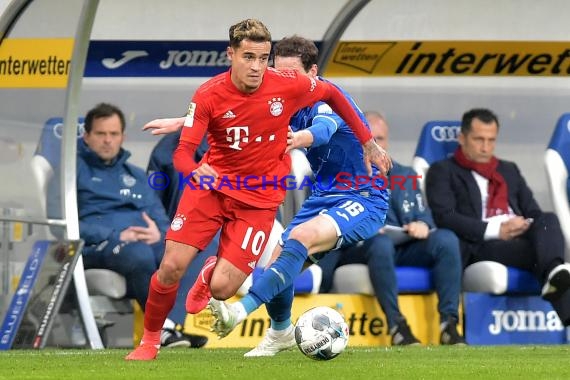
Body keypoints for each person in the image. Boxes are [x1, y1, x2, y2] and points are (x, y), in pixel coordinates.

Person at [126, 20, 391, 361]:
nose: (260, 69)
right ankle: (156, 340)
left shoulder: (301, 92)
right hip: (235, 188)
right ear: (232, 54)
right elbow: (227, 116)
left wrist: (360, 141)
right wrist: (187, 131)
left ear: (309, 73)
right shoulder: (229, 92)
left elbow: (326, 118)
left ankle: (232, 297)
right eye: (252, 58)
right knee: (180, 266)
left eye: (264, 60)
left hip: (309, 196)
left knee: (244, 276)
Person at [207, 35, 390, 348]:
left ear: (313, 72)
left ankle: (239, 311)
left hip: (362, 197)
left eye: (292, 74)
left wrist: (297, 138)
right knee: (278, 261)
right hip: (322, 198)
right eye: (279, 74)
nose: (285, 81)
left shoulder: (327, 100)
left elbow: (323, 130)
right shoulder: (283, 103)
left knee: (300, 237)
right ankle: (280, 332)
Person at [317, 111, 465, 346]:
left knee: (446, 239)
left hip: (403, 244)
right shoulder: (338, 175)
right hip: (360, 247)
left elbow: (424, 215)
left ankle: (449, 324)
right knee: (381, 242)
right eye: (369, 138)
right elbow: (327, 223)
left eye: (381, 139)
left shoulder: (404, 173)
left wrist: (423, 225)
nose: (376, 145)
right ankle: (397, 326)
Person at [71, 103, 207, 348]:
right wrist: (116, 234)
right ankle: (161, 330)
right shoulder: (72, 173)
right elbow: (65, 223)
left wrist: (160, 234)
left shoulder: (135, 175)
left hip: (142, 243)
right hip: (97, 247)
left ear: (122, 137)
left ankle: (171, 325)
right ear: (87, 136)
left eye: (114, 134)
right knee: (140, 254)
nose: (107, 141)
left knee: (182, 252)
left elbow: (162, 220)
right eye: (101, 134)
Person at [426, 107, 570, 326]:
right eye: (479, 139)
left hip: (519, 234)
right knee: (544, 255)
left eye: (491, 140)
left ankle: (554, 272)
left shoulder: (508, 169)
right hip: (483, 244)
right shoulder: (442, 171)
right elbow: (446, 216)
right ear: (462, 138)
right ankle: (555, 277)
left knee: (548, 220)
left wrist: (522, 225)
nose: (486, 147)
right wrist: (497, 230)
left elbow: (533, 211)